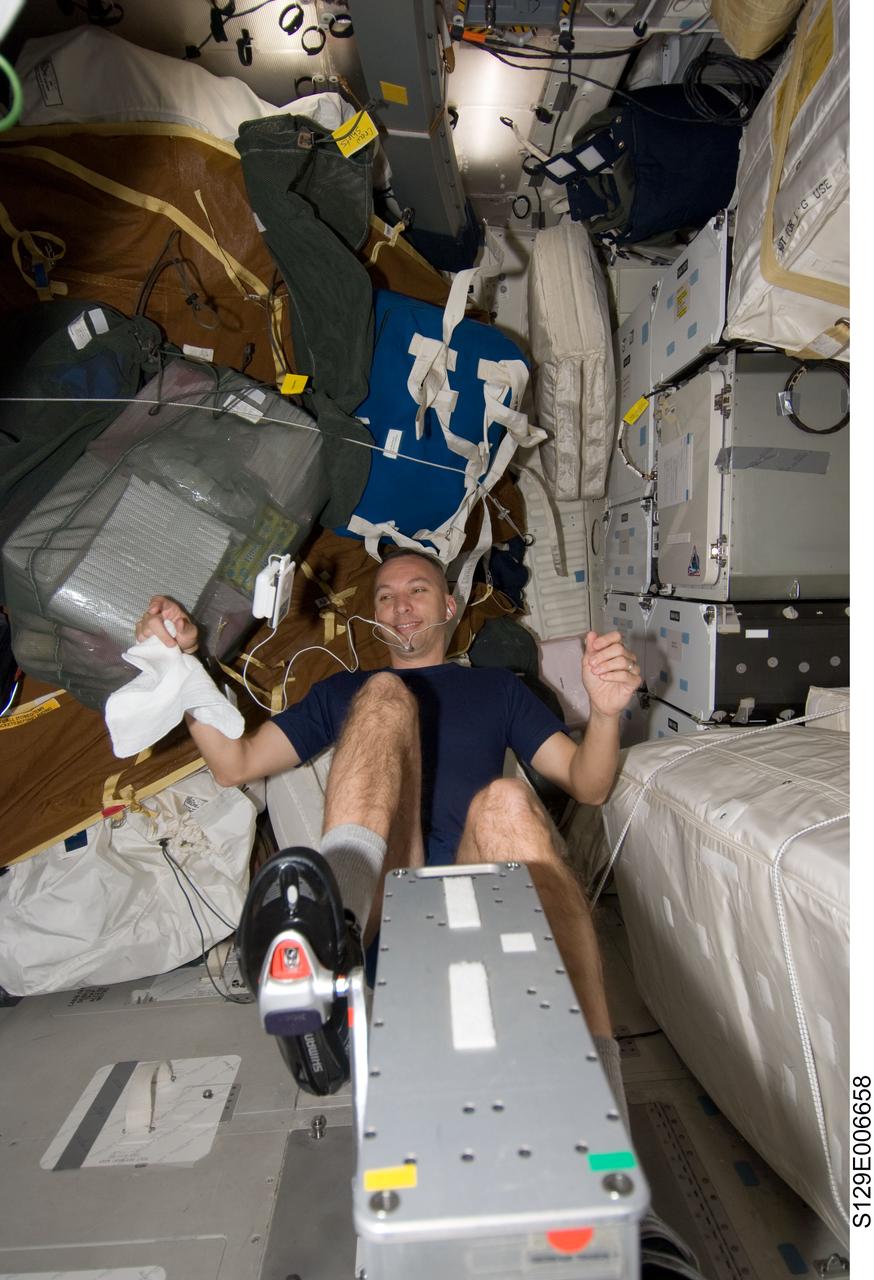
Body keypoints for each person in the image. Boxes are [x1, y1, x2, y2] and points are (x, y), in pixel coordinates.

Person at [136, 549, 641, 1101]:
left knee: (507, 801)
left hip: (485, 884)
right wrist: (185, 670)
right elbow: (234, 765)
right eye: (385, 596)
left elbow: (588, 784)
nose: (400, 606)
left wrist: (607, 712)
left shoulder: (498, 689)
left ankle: (594, 1085)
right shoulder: (342, 691)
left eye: (417, 591)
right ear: (374, 616)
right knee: (383, 695)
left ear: (449, 605)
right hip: (388, 901)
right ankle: (330, 952)